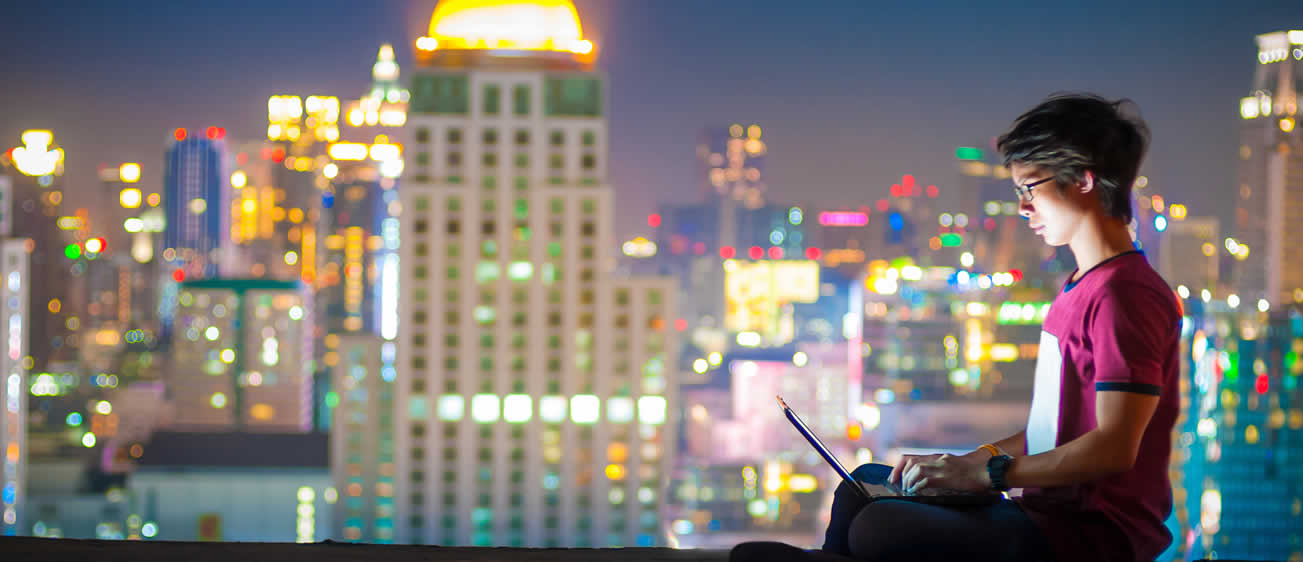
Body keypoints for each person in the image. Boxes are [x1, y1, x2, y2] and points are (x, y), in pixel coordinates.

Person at [730, 93, 1179, 562]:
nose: (1023, 208)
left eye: (1031, 187)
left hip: (1091, 537)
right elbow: (1056, 433)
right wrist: (968, 463)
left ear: (1084, 179)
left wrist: (987, 476)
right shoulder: (1077, 288)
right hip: (1043, 513)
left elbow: (1113, 449)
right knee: (864, 485)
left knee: (881, 525)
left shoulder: (1126, 294)